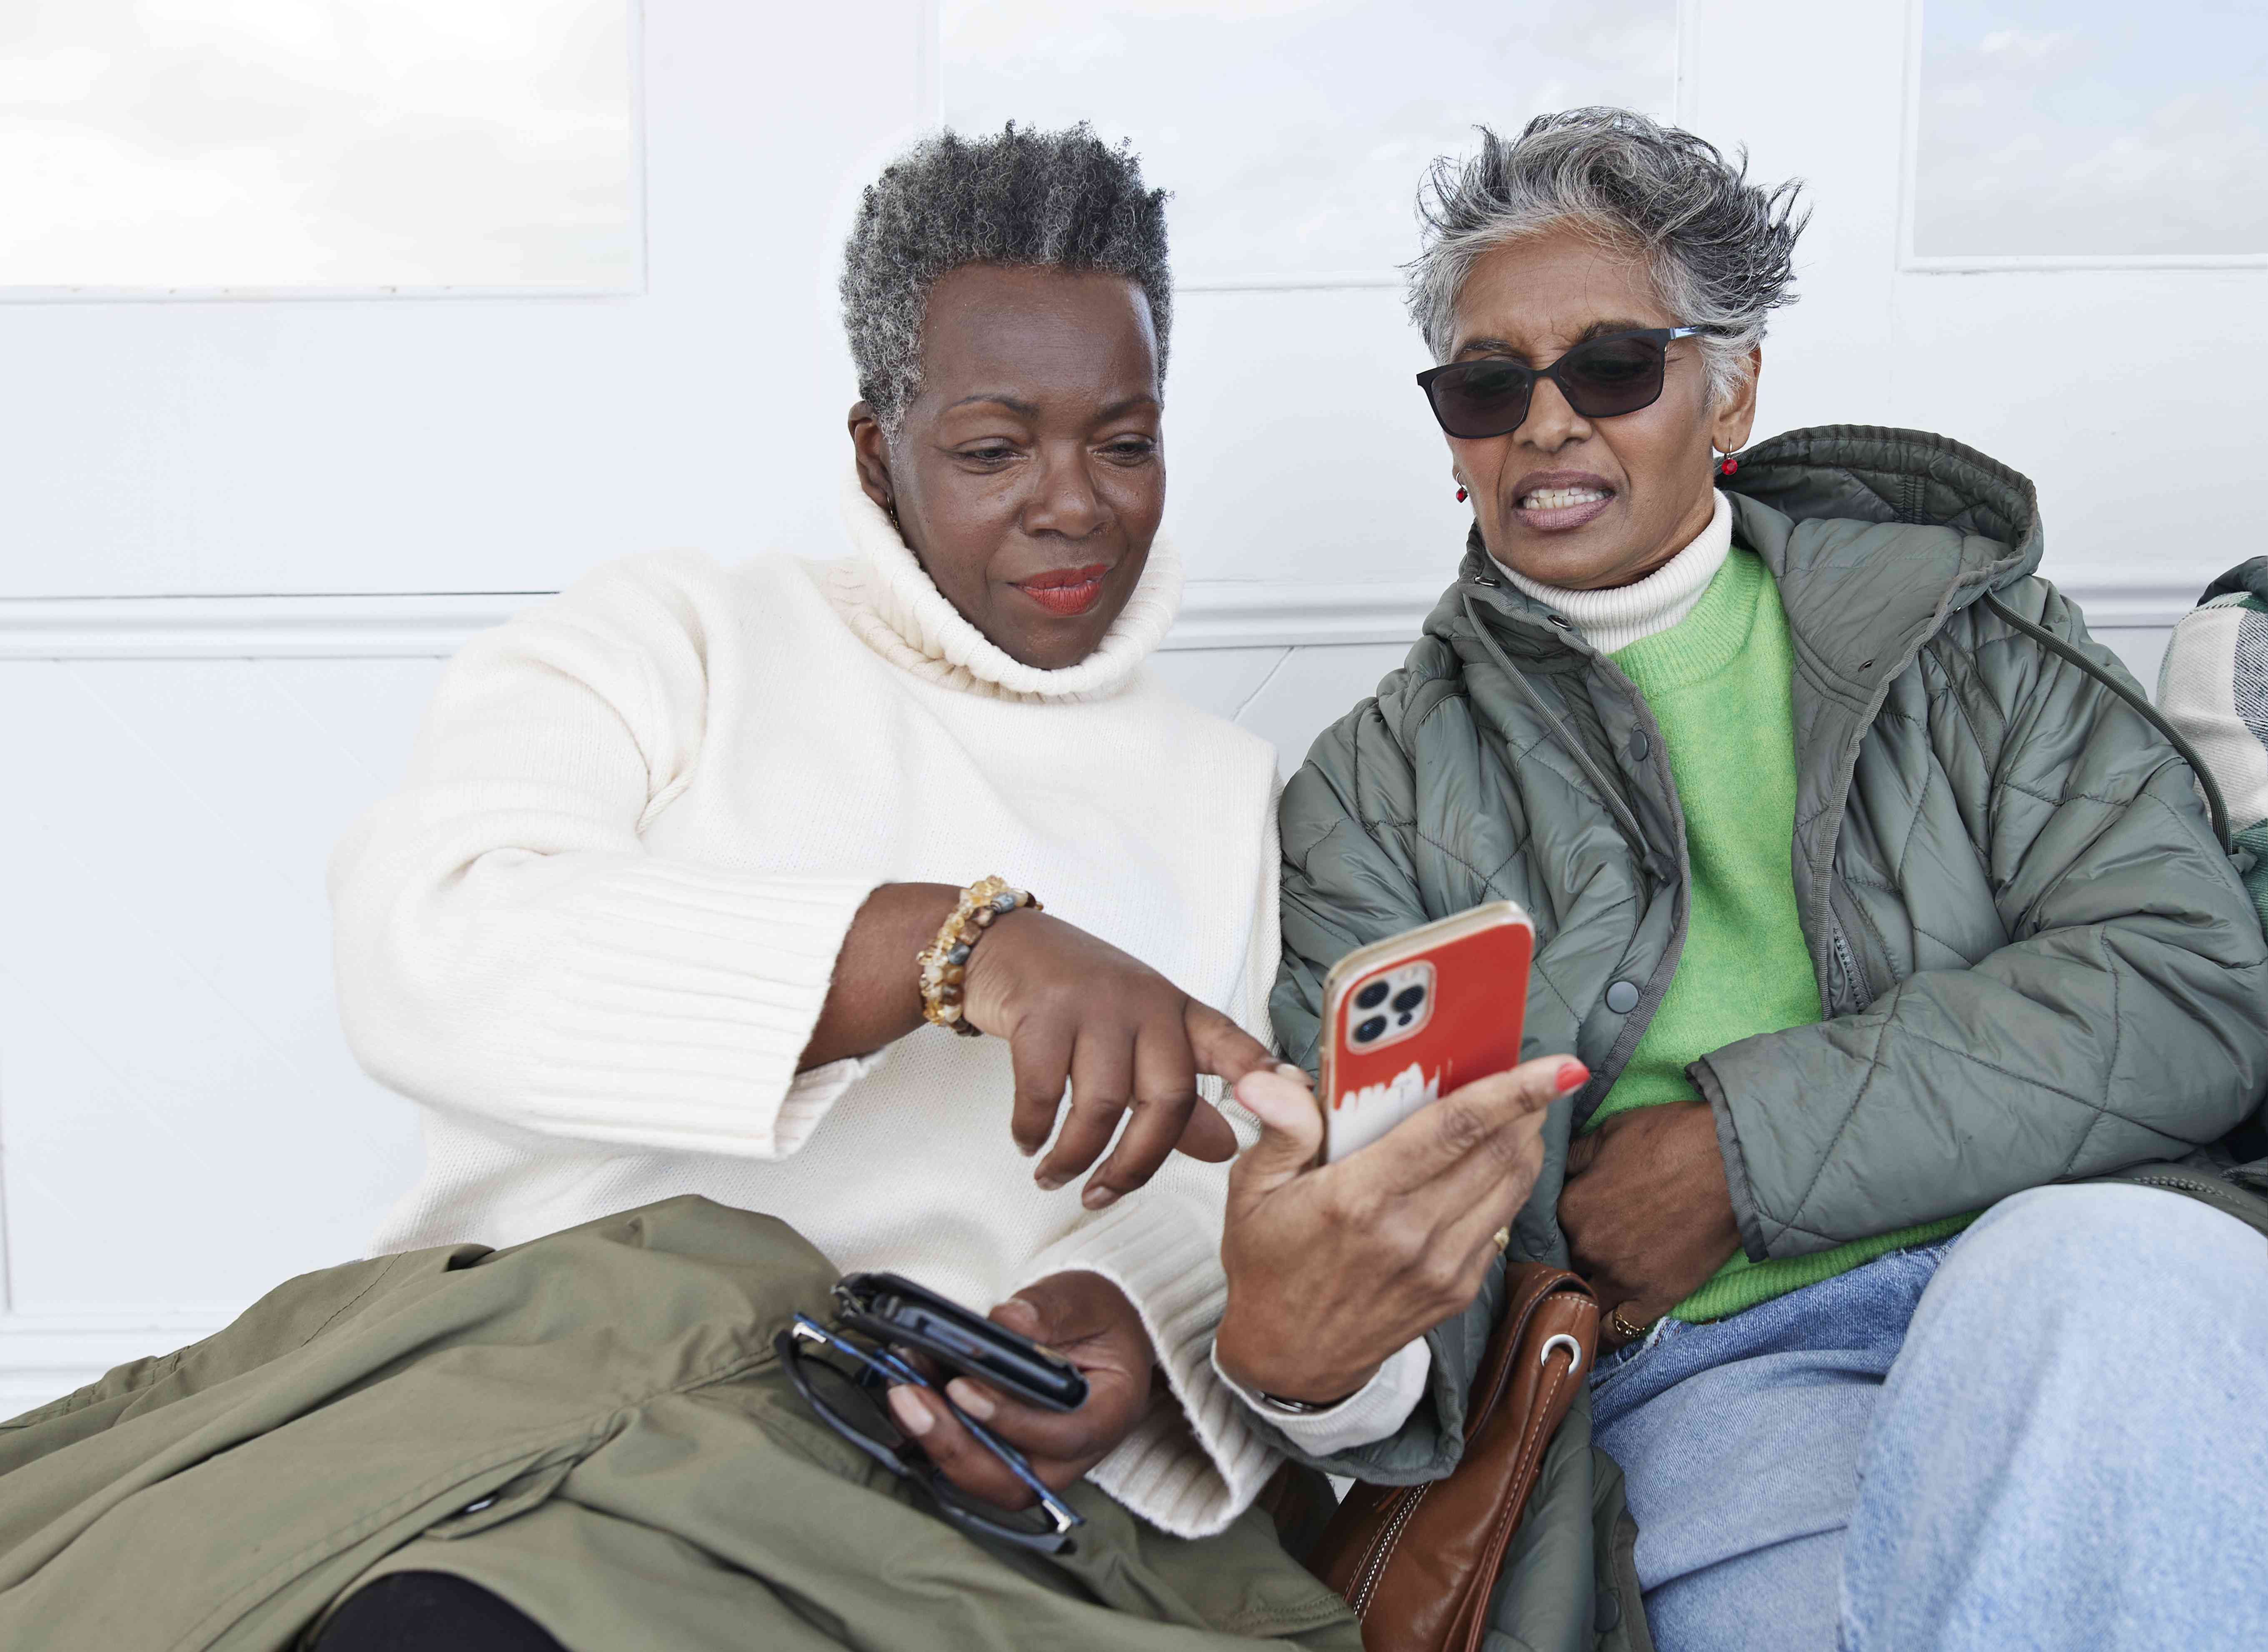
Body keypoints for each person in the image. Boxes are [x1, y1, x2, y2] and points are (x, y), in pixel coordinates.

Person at [0, 125, 1562, 1650]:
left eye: (1126, 439)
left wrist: (1137, 1351)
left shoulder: (1225, 797)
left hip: (928, 1490)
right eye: (992, 447)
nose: (1074, 502)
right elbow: (431, 944)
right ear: (878, 449)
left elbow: (1215, 1199)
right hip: (552, 1399)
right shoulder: (672, 642)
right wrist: (951, 945)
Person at [1252, 108, 2268, 1652]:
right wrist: (1323, 1356)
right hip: (1713, 1383)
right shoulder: (1374, 793)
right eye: (1486, 386)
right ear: (1451, 434)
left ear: (1729, 387)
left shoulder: (1968, 637)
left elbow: (2190, 988)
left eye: (1610, 368)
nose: (1546, 424)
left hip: (2060, 1283)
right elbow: (1403, 1252)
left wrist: (1745, 1149)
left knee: (2103, 1268)